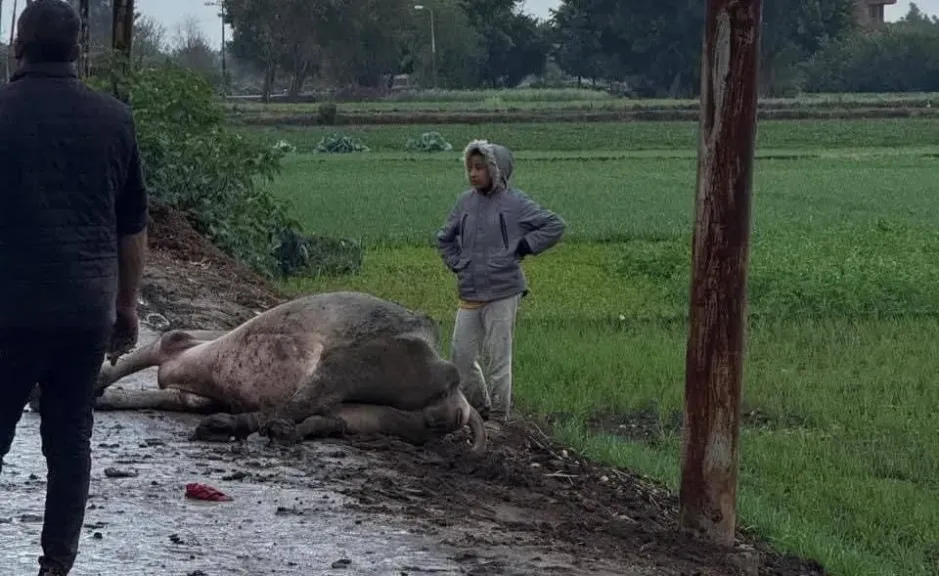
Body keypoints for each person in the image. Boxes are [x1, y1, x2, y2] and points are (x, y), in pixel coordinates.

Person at [0, 1, 149, 575]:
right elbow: (131, 225)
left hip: (9, 313)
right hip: (85, 313)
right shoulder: (114, 119)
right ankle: (56, 566)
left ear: (18, 47)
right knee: (69, 444)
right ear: (79, 52)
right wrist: (126, 305)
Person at [436, 139, 565, 425]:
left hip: (503, 290)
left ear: (496, 170)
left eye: (480, 168)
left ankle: (498, 417)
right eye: (470, 167)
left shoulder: (516, 203)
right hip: (470, 290)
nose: (473, 173)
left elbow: (554, 225)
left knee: (498, 358)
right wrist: (458, 263)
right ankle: (478, 407)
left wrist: (524, 247)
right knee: (461, 356)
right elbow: (444, 238)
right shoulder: (464, 202)